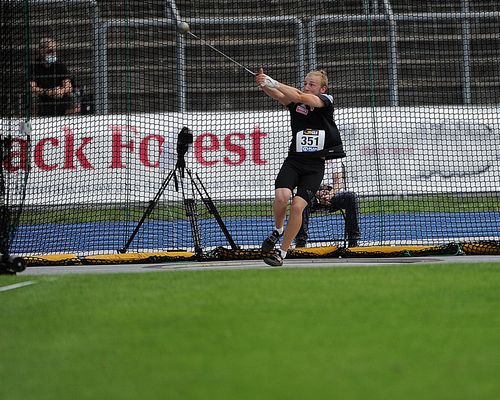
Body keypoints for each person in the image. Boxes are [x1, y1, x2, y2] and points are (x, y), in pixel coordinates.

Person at [256, 68, 345, 266]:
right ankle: (278, 230)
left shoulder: (325, 101)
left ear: (322, 88)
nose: (306, 87)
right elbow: (279, 95)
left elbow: (297, 94)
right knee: (281, 197)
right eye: (305, 83)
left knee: (297, 206)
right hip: (294, 161)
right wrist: (264, 84)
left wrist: (274, 81)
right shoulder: (297, 104)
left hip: (314, 167)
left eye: (311, 84)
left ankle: (282, 253)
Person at [295, 159, 360, 248]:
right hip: (313, 193)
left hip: (332, 194)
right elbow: (303, 182)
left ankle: (353, 240)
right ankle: (301, 242)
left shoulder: (335, 159)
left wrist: (330, 194)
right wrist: (317, 193)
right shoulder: (309, 158)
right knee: (303, 198)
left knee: (351, 197)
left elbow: (339, 182)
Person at [30, 38, 73, 117]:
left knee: (70, 96)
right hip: (42, 100)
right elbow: (32, 87)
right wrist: (48, 92)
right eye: (50, 51)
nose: (53, 54)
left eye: (54, 51)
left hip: (59, 100)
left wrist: (61, 91)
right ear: (41, 51)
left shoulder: (60, 65)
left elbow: (69, 86)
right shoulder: (34, 65)